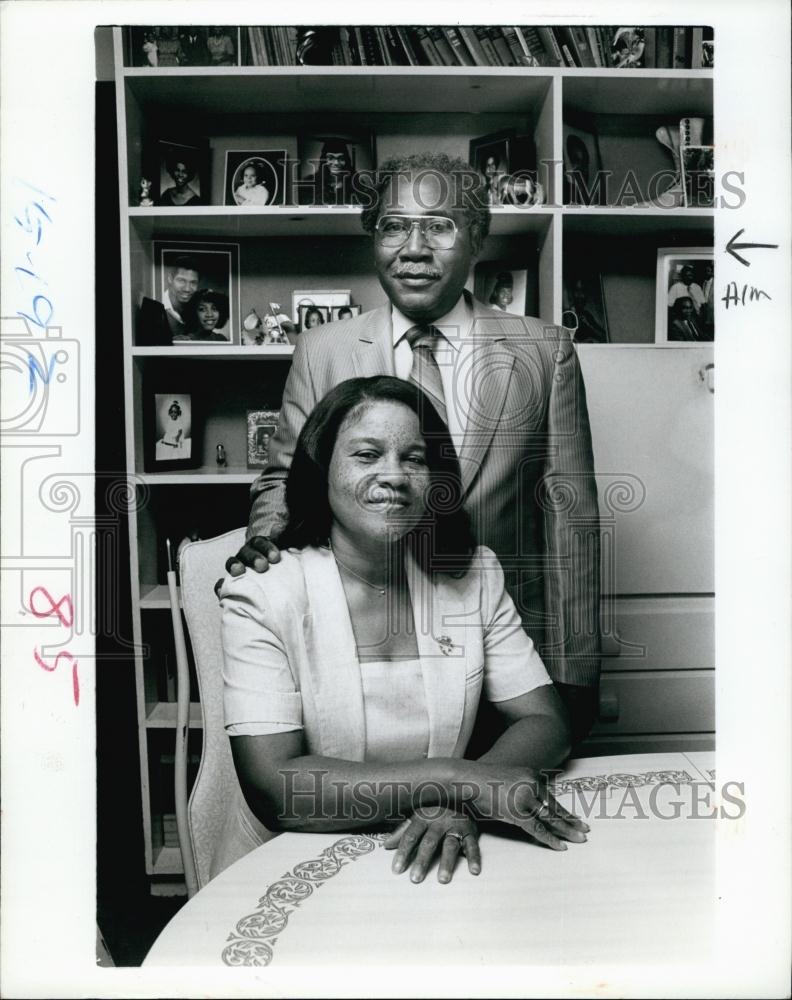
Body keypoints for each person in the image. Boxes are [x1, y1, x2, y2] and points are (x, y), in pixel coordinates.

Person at [227, 152, 601, 744]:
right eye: (394, 226)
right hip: (363, 646)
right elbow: (284, 478)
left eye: (440, 226)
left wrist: (576, 671)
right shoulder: (323, 350)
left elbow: (571, 518)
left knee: (493, 811)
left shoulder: (542, 351)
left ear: (476, 238)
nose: (414, 247)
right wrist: (266, 544)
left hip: (507, 655)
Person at [218, 376, 589, 881]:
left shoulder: (473, 575)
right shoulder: (262, 591)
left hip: (440, 850)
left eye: (414, 459)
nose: (393, 475)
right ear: (320, 470)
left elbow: (547, 722)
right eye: (366, 454)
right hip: (296, 859)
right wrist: (460, 780)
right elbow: (277, 788)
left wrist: (459, 803)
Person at [301, 138, 359, 205]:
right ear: (324, 160)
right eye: (331, 158)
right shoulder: (309, 184)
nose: (336, 163)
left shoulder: (356, 183)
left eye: (341, 158)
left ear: (347, 161)